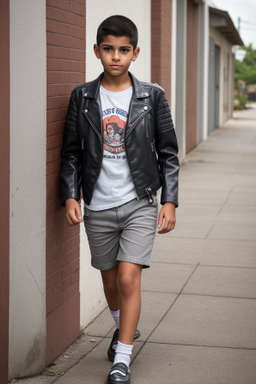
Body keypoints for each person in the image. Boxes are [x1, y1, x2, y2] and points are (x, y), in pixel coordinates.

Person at [60, 15, 179, 384]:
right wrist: (69, 196)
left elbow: (168, 153)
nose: (116, 57)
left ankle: (122, 359)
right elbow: (71, 154)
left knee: (129, 280)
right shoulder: (82, 96)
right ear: (97, 51)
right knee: (110, 282)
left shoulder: (152, 96)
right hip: (96, 203)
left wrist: (169, 200)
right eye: (108, 49)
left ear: (135, 53)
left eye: (123, 50)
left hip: (139, 201)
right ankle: (123, 326)